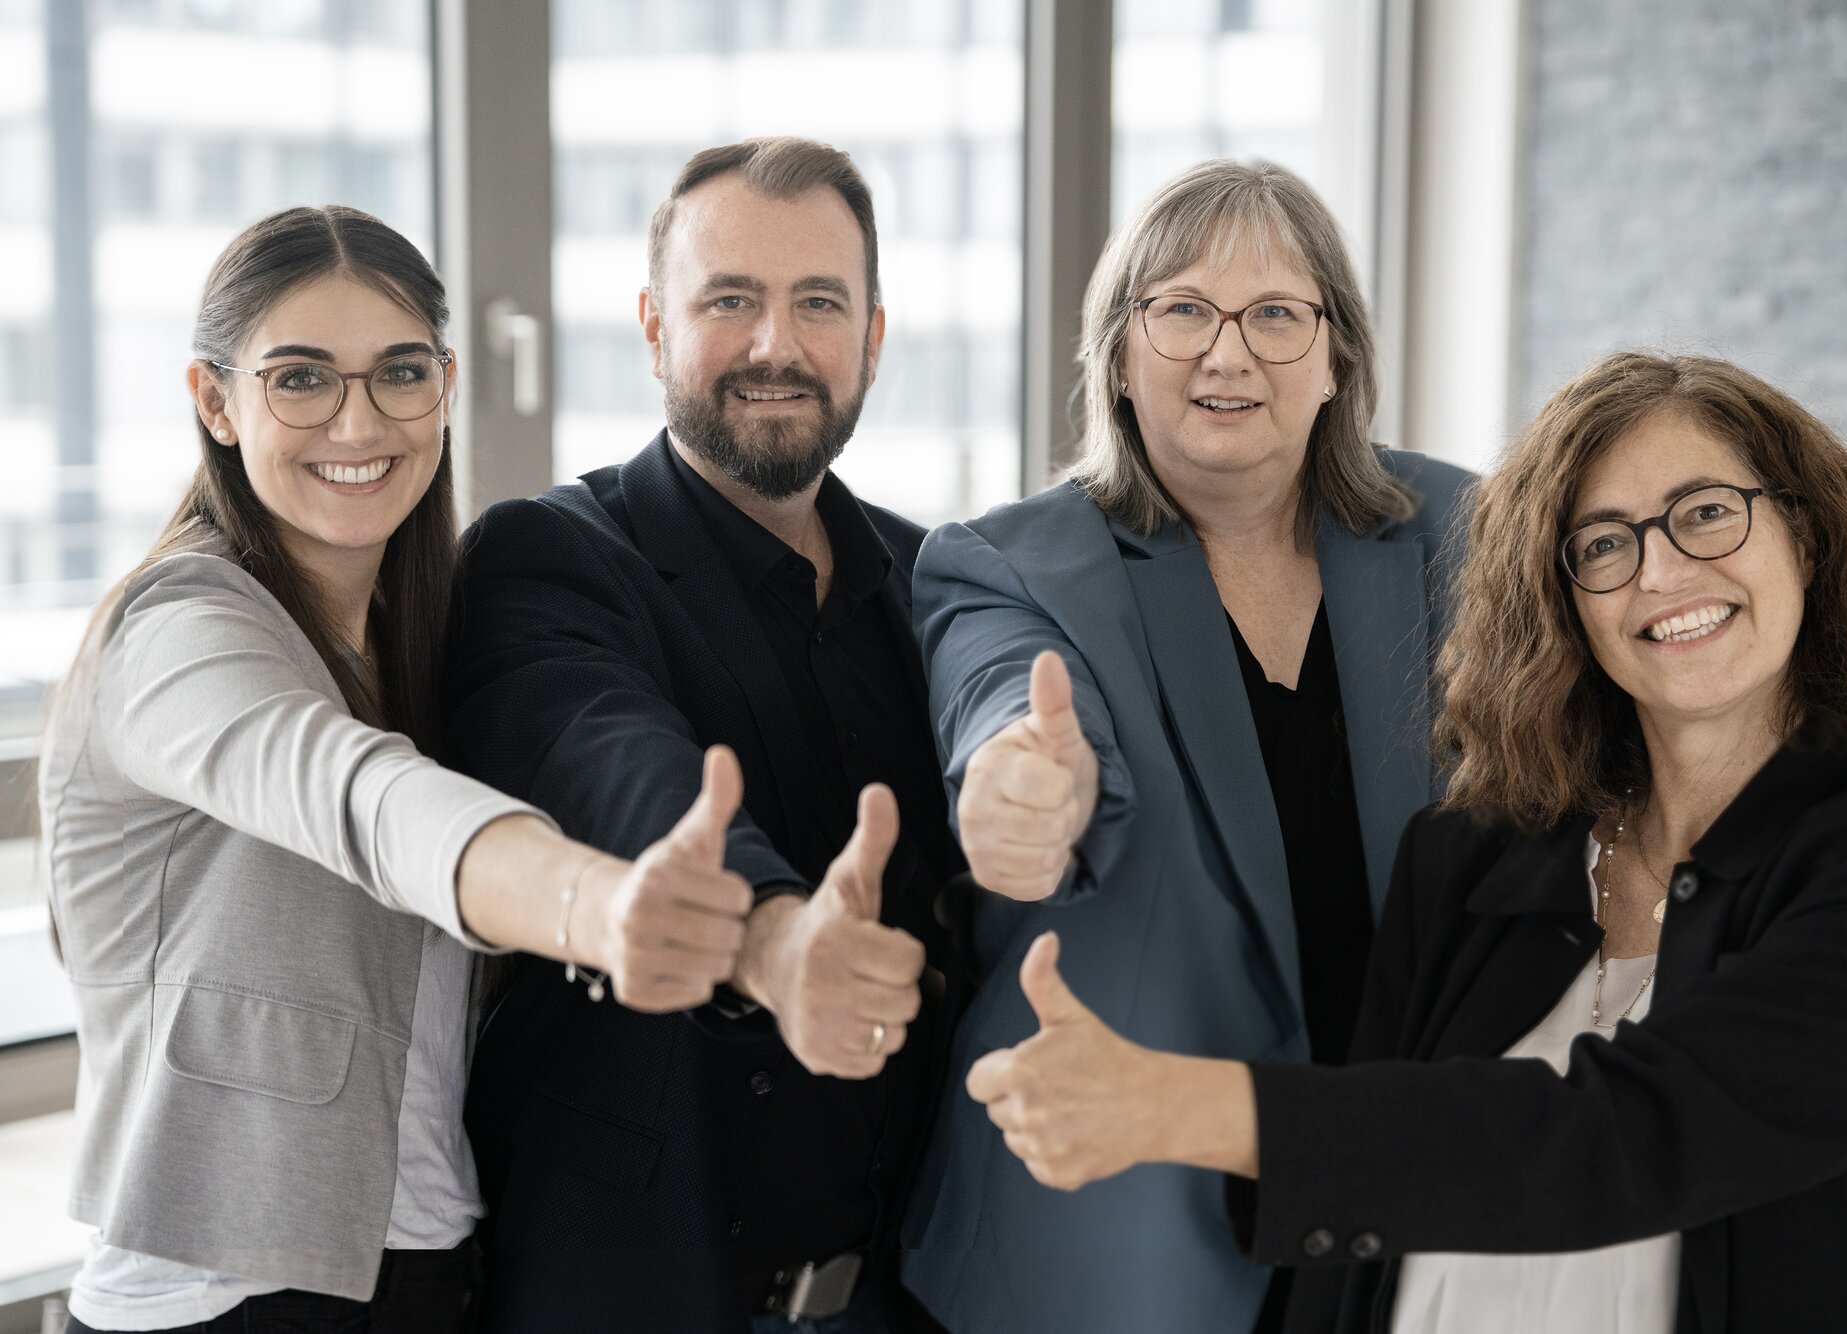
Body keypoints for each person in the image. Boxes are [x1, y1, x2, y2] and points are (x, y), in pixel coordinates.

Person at [964, 351, 1847, 1333]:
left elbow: (1614, 1133)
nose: (1661, 571)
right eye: (1602, 542)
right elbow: (1348, 1265)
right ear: (1563, 604)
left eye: (1704, 514)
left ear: (1805, 540)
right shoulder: (1468, 852)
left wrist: (1169, 1103)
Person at [42, 205, 768, 1334]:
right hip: (220, 1295)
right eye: (299, 378)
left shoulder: (417, 635)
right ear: (213, 400)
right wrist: (598, 902)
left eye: (398, 372)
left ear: (447, 382)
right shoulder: (176, 628)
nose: (357, 418)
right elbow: (357, 795)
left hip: (428, 1262)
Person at [900, 159, 1475, 1334]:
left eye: (1275, 314)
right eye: (1180, 311)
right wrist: (1021, 791)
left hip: (1398, 1204)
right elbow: (1006, 704)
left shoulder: (1465, 537)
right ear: (1117, 353)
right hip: (1112, 1241)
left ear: (1335, 357)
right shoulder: (1010, 562)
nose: (1228, 354)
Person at [441, 137, 965, 1334]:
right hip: (636, 1298)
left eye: (817, 303)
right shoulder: (549, 553)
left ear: (872, 337)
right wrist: (775, 941)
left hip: (903, 1294)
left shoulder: (932, 578)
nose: (775, 346)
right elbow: (610, 761)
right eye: (729, 300)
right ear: (651, 323)